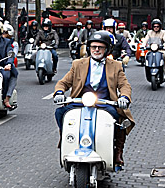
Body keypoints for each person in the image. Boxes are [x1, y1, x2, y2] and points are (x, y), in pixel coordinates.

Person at [53, 30, 134, 170]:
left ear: (107, 48)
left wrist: (124, 97)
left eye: (100, 47)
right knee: (60, 113)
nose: (96, 50)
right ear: (89, 48)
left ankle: (117, 152)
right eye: (93, 47)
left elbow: (124, 85)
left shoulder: (116, 65)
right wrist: (59, 92)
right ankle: (67, 138)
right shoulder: (78, 64)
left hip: (105, 104)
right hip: (79, 102)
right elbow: (63, 82)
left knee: (119, 119)